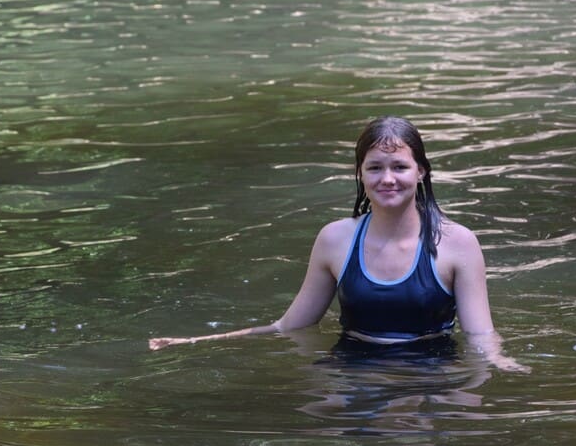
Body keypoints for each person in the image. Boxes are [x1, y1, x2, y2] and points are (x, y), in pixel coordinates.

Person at [149, 116, 528, 372]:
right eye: (375, 167)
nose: (388, 179)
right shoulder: (335, 238)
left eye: (399, 167)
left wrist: (499, 363)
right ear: (360, 174)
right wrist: (197, 341)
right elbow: (291, 325)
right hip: (352, 367)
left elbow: (480, 334)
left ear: (421, 171)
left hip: (429, 370)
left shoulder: (458, 243)